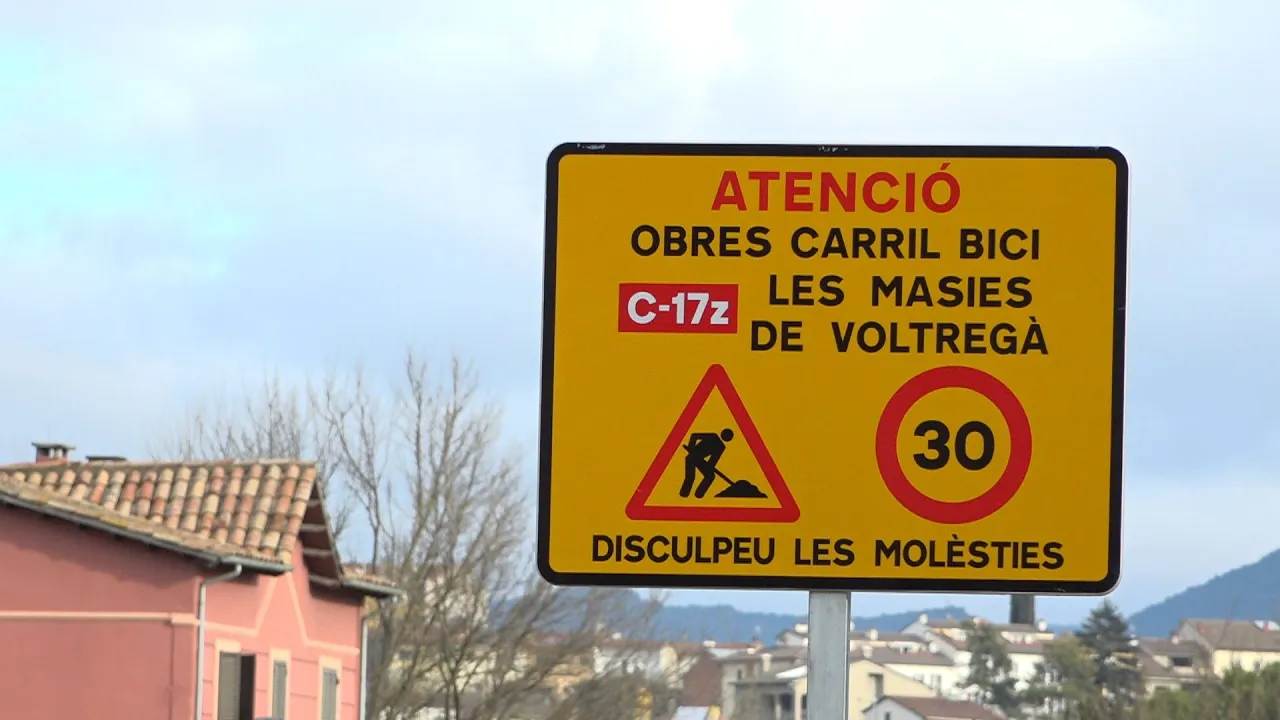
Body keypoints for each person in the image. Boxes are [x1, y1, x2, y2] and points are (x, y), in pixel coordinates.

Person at [681, 428, 734, 499]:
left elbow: (712, 461)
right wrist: (691, 448)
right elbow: (694, 436)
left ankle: (699, 494)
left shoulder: (721, 447)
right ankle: (684, 494)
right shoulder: (713, 436)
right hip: (691, 457)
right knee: (690, 477)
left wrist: (709, 467)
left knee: (710, 476)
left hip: (700, 460)